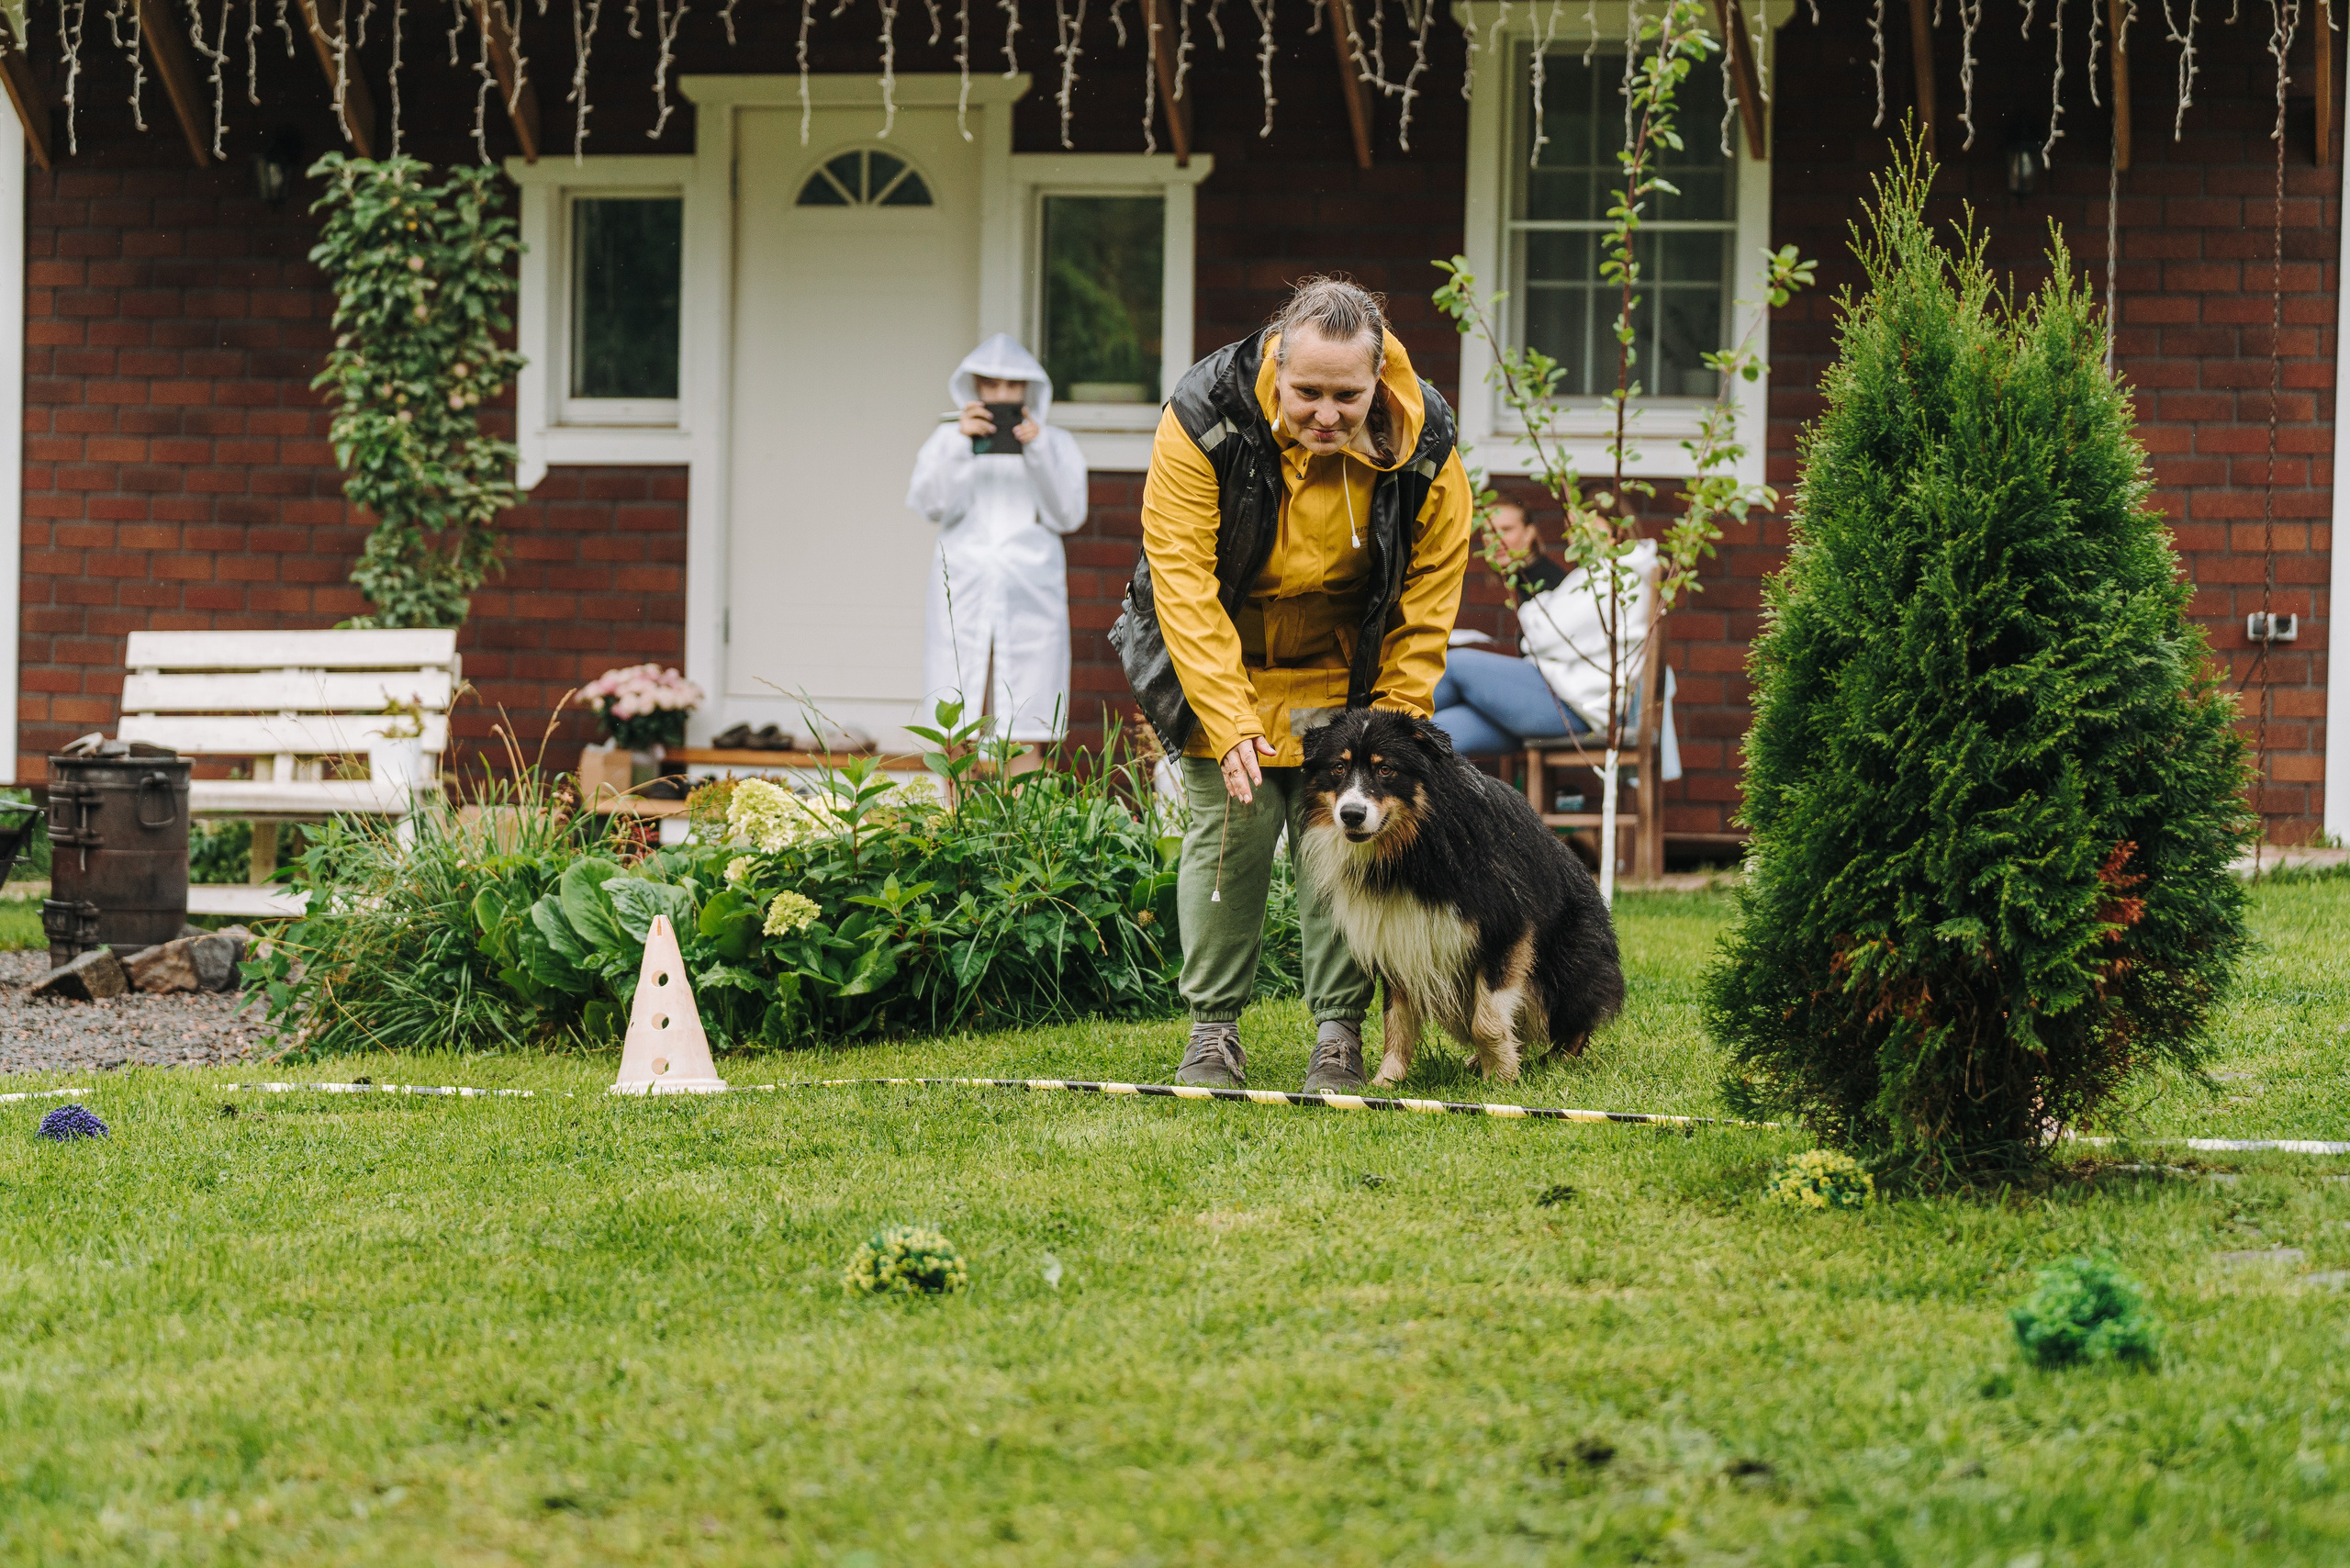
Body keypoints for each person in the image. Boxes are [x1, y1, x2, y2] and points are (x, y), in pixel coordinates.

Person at [1112, 276, 1472, 1093]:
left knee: (1343, 847)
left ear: (1377, 381)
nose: (1325, 413)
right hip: (1222, 655)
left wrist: (1399, 728)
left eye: (1346, 396)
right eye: (1306, 391)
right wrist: (1228, 719)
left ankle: (1338, 1039)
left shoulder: (1428, 443)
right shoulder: (1203, 416)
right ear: (1278, 364)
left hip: (1342, 674)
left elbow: (1428, 600)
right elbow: (1181, 580)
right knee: (1229, 835)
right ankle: (1212, 1035)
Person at [906, 334, 1089, 757]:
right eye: (991, 385)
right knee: (954, 700)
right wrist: (960, 443)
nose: (1002, 395)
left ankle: (1023, 813)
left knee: (1027, 703)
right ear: (975, 388)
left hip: (1030, 586)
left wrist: (1036, 448)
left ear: (1030, 388)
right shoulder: (948, 438)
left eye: (1012, 385)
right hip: (963, 583)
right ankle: (954, 809)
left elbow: (1068, 515)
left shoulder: (1055, 442)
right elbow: (928, 503)